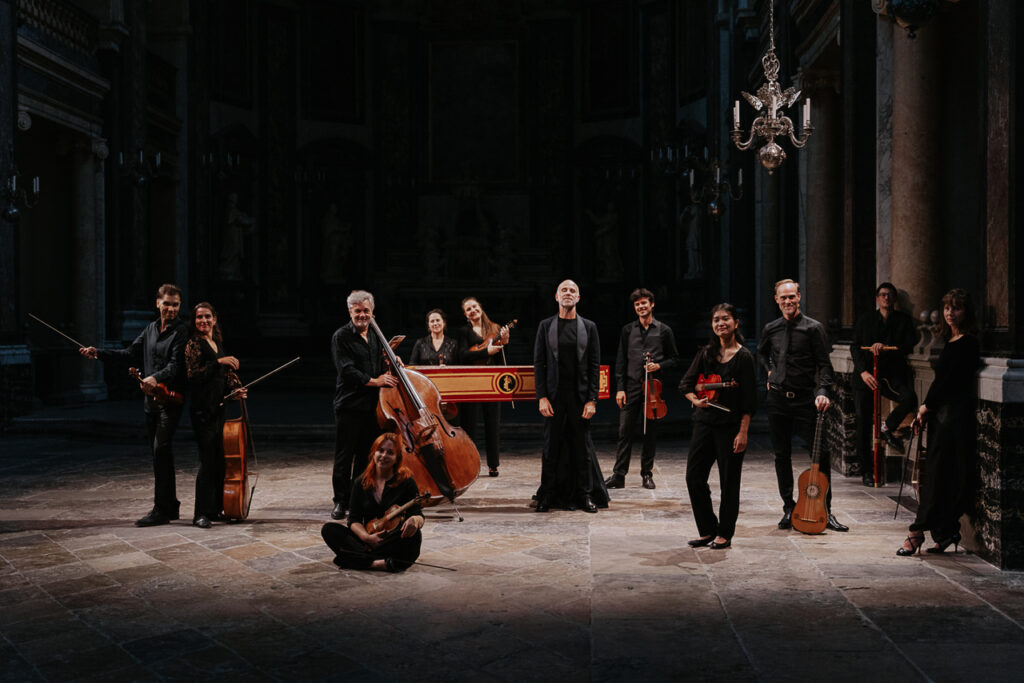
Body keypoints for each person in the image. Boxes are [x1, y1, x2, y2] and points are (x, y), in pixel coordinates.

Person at [79, 284, 187, 526]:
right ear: (157, 303)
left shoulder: (182, 331)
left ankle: (160, 509)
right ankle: (171, 505)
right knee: (161, 454)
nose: (171, 309)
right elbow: (129, 353)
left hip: (170, 399)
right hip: (151, 401)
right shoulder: (150, 329)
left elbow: (175, 365)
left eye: (175, 305)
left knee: (160, 451)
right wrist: (99, 353)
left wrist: (155, 377)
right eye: (167, 303)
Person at [757, 279, 849, 532]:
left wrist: (823, 391)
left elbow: (824, 364)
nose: (788, 301)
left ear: (799, 297)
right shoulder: (771, 328)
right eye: (783, 297)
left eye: (791, 296)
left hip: (805, 399)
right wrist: (769, 371)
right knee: (781, 455)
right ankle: (789, 507)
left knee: (821, 454)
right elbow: (761, 353)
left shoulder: (813, 328)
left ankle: (825, 511)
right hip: (777, 399)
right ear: (776, 300)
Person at [897, 288, 981, 556]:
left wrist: (926, 406)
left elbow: (952, 382)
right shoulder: (951, 340)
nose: (949, 313)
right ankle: (946, 532)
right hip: (941, 416)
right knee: (939, 475)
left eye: (956, 308)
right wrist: (925, 409)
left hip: (954, 418)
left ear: (966, 312)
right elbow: (939, 381)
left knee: (938, 477)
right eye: (946, 308)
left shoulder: (968, 343)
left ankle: (916, 532)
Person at [680, 304, 757, 549]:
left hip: (730, 427)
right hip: (703, 424)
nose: (720, 323)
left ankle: (725, 533)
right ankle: (707, 529)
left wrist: (743, 432)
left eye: (725, 319)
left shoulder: (744, 357)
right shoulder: (706, 354)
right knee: (694, 477)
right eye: (716, 320)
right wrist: (696, 401)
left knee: (729, 483)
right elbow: (686, 384)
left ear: (736, 323)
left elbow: (749, 401)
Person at [533, 279, 609, 513]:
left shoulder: (589, 327)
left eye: (572, 290)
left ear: (578, 297)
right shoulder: (546, 326)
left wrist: (592, 400)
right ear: (557, 297)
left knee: (582, 448)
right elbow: (539, 363)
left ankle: (584, 495)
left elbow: (595, 366)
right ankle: (547, 495)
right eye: (564, 290)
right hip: (554, 397)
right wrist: (542, 397)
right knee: (551, 448)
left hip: (580, 397)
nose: (568, 293)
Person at [331, 290, 397, 520]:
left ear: (372, 312)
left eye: (366, 311)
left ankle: (356, 498)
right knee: (344, 456)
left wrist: (391, 362)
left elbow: (379, 363)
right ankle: (340, 501)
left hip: (374, 406)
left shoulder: (376, 335)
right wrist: (376, 381)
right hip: (350, 404)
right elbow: (347, 370)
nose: (362, 315)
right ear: (350, 311)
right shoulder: (341, 336)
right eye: (357, 311)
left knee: (366, 456)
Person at [606, 288, 679, 490]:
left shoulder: (664, 330)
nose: (641, 307)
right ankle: (619, 475)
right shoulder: (627, 330)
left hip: (653, 389)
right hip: (630, 386)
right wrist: (620, 388)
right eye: (637, 304)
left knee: (650, 433)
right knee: (624, 432)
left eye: (644, 303)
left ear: (652, 304)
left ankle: (647, 474)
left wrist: (659, 366)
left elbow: (674, 359)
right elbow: (621, 360)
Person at [321, 432, 425, 572]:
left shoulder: (406, 481)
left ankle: (359, 560)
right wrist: (367, 538)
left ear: (397, 458)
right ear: (373, 453)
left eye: (390, 452)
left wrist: (415, 521)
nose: (383, 456)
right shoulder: (360, 482)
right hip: (368, 538)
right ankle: (382, 563)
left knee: (415, 536)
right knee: (329, 530)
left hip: (392, 539)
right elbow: (354, 520)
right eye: (380, 450)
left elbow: (418, 514)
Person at [184, 302, 246, 529]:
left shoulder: (216, 342)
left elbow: (220, 377)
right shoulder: (194, 343)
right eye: (199, 317)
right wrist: (219, 361)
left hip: (219, 408)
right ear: (194, 321)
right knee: (207, 461)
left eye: (207, 316)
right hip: (202, 410)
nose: (204, 321)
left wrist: (234, 391)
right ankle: (199, 513)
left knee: (220, 460)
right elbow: (193, 374)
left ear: (214, 319)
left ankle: (215, 508)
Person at [850, 282, 918, 486]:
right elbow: (855, 347)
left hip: (889, 374)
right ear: (877, 298)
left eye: (890, 295)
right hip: (866, 376)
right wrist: (863, 372)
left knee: (909, 398)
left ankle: (887, 427)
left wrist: (886, 347)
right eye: (882, 294)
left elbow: (908, 345)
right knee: (863, 422)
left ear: (894, 299)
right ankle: (866, 471)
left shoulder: (903, 320)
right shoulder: (866, 320)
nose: (886, 298)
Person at [456, 297, 510, 477]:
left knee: (492, 423)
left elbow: (501, 357)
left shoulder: (494, 328)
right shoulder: (464, 332)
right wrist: (486, 351)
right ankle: (469, 464)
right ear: (465, 314)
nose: (472, 310)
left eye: (474, 307)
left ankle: (493, 465)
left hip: (491, 379)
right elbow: (462, 355)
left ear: (480, 308)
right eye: (468, 309)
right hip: (471, 379)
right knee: (469, 423)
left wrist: (504, 343)